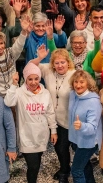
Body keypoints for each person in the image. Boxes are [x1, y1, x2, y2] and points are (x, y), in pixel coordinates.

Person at [4, 62, 57, 183]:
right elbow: (8, 102)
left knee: (36, 163)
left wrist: (53, 130)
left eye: (36, 78)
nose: (33, 82)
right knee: (33, 166)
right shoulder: (19, 92)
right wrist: (13, 84)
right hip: (26, 137)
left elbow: (50, 113)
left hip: (41, 136)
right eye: (30, 79)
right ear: (25, 79)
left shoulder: (46, 93)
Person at [30, 46, 76, 182]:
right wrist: (39, 58)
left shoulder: (75, 74)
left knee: (70, 148)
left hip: (71, 119)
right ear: (53, 64)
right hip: (54, 120)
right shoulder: (48, 71)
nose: (60, 65)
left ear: (68, 62)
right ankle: (64, 170)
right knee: (60, 148)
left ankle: (73, 170)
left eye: (63, 62)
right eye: (57, 63)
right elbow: (30, 67)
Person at [68, 70, 103, 183]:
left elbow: (93, 128)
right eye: (76, 82)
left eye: (82, 82)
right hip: (76, 139)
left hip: (88, 142)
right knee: (85, 166)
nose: (78, 85)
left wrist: (82, 126)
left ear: (88, 83)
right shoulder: (73, 95)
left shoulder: (94, 102)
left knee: (76, 171)